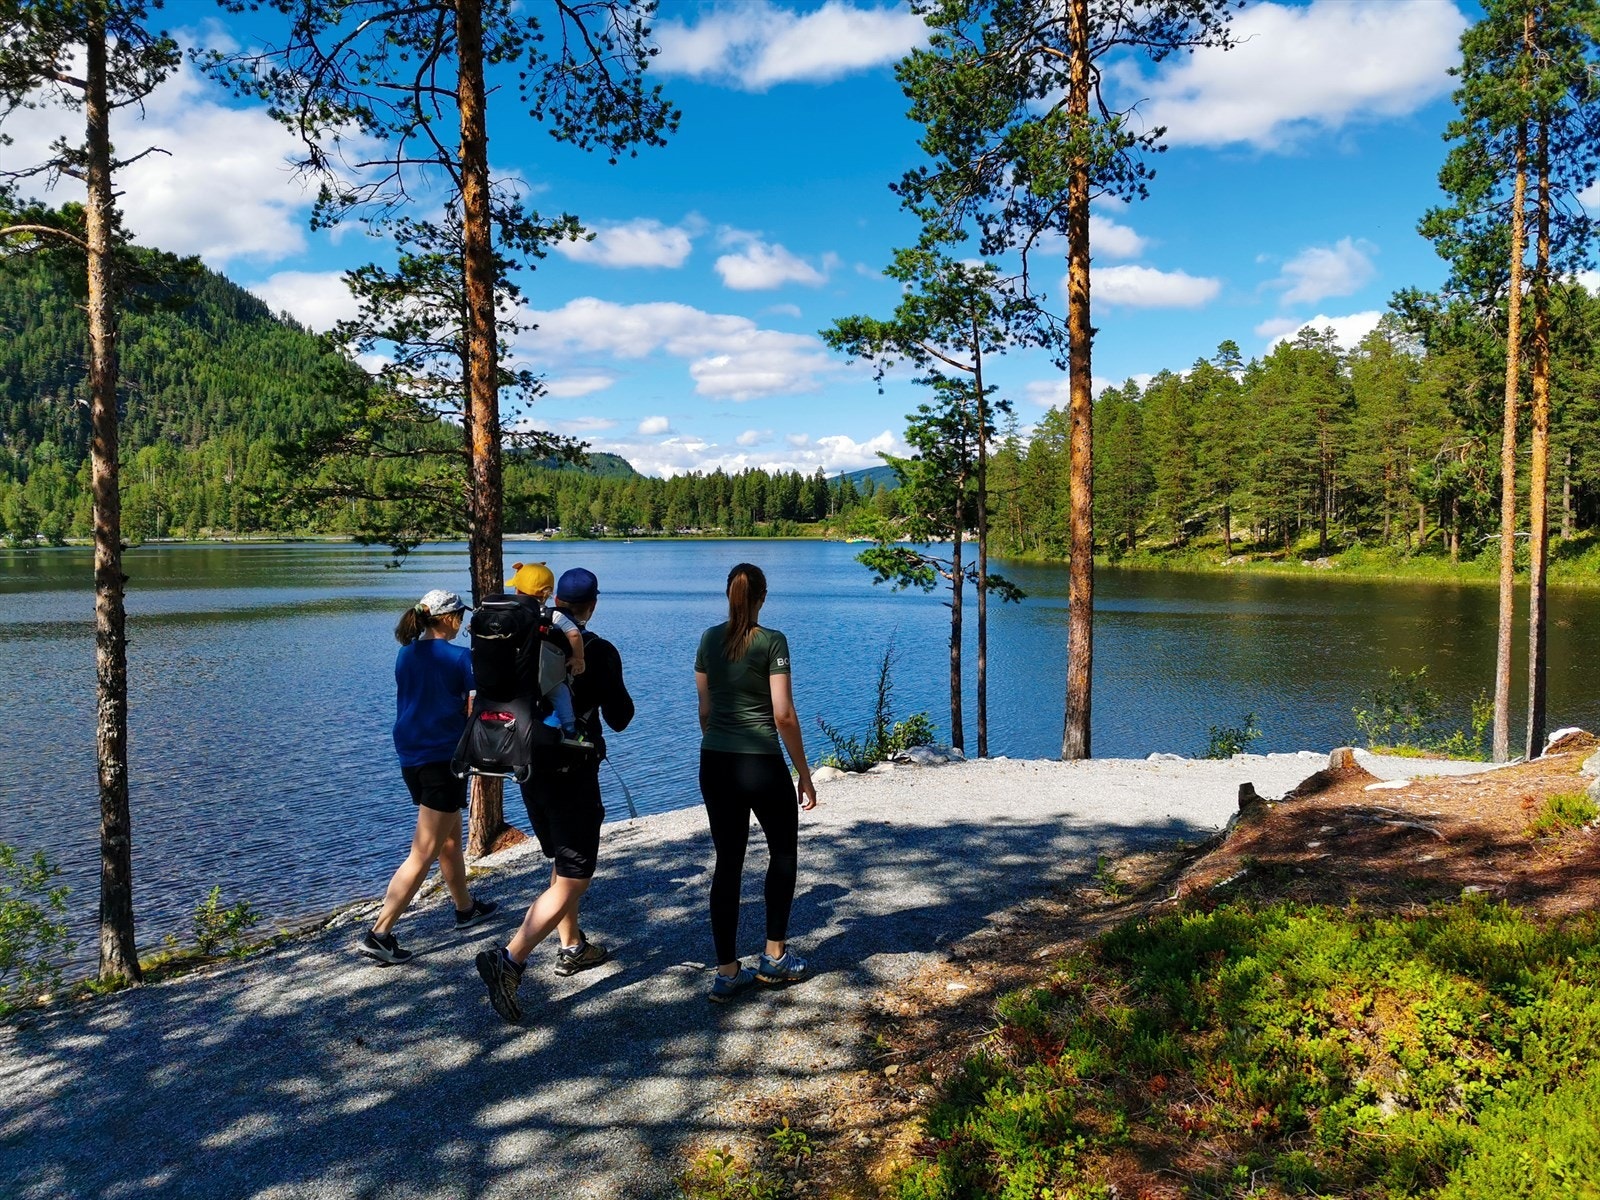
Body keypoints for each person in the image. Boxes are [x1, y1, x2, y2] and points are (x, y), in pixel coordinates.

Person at [476, 567, 634, 1023]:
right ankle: (510, 960)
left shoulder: (524, 637)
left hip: (525, 762)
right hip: (571, 772)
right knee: (576, 874)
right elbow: (621, 717)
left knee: (562, 861)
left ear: (553, 600)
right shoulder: (596, 649)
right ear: (593, 603)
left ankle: (572, 946)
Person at [694, 562, 817, 1003]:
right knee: (782, 852)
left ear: (729, 596)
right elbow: (782, 713)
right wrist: (803, 772)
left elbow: (705, 712)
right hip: (761, 762)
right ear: (761, 597)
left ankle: (727, 973)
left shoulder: (709, 640)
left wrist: (721, 743)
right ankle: (775, 956)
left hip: (716, 762)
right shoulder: (772, 642)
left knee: (728, 863)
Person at [360, 588, 498, 964]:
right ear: (451, 619)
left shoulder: (405, 654)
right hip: (441, 757)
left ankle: (464, 908)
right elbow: (484, 697)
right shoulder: (458, 658)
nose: (463, 623)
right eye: (461, 617)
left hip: (412, 755)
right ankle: (380, 933)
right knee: (423, 851)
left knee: (449, 839)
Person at [504, 560, 587, 747]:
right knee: (561, 694)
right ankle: (570, 730)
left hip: (518, 673)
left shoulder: (510, 613)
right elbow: (574, 633)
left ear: (517, 591)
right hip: (547, 674)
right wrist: (578, 658)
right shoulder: (553, 615)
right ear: (548, 593)